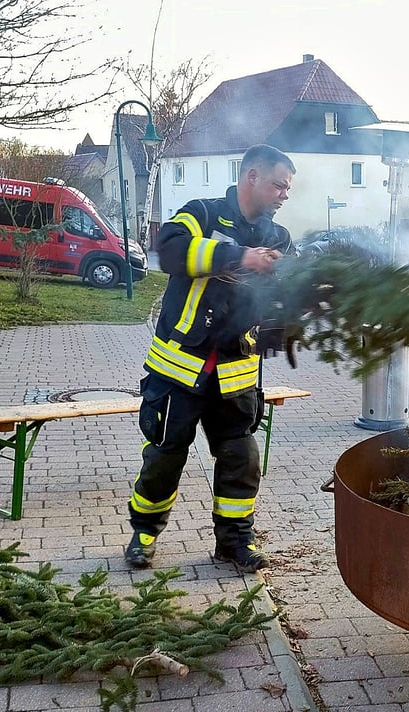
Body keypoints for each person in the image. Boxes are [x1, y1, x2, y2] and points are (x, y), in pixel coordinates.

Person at [125, 143, 295, 573]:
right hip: (177, 369)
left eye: (288, 189)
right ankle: (143, 535)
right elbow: (170, 251)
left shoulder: (279, 238)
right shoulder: (200, 212)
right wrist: (238, 257)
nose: (284, 195)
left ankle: (235, 542)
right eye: (279, 185)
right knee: (165, 455)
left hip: (235, 375)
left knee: (241, 459)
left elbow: (278, 305)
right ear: (252, 177)